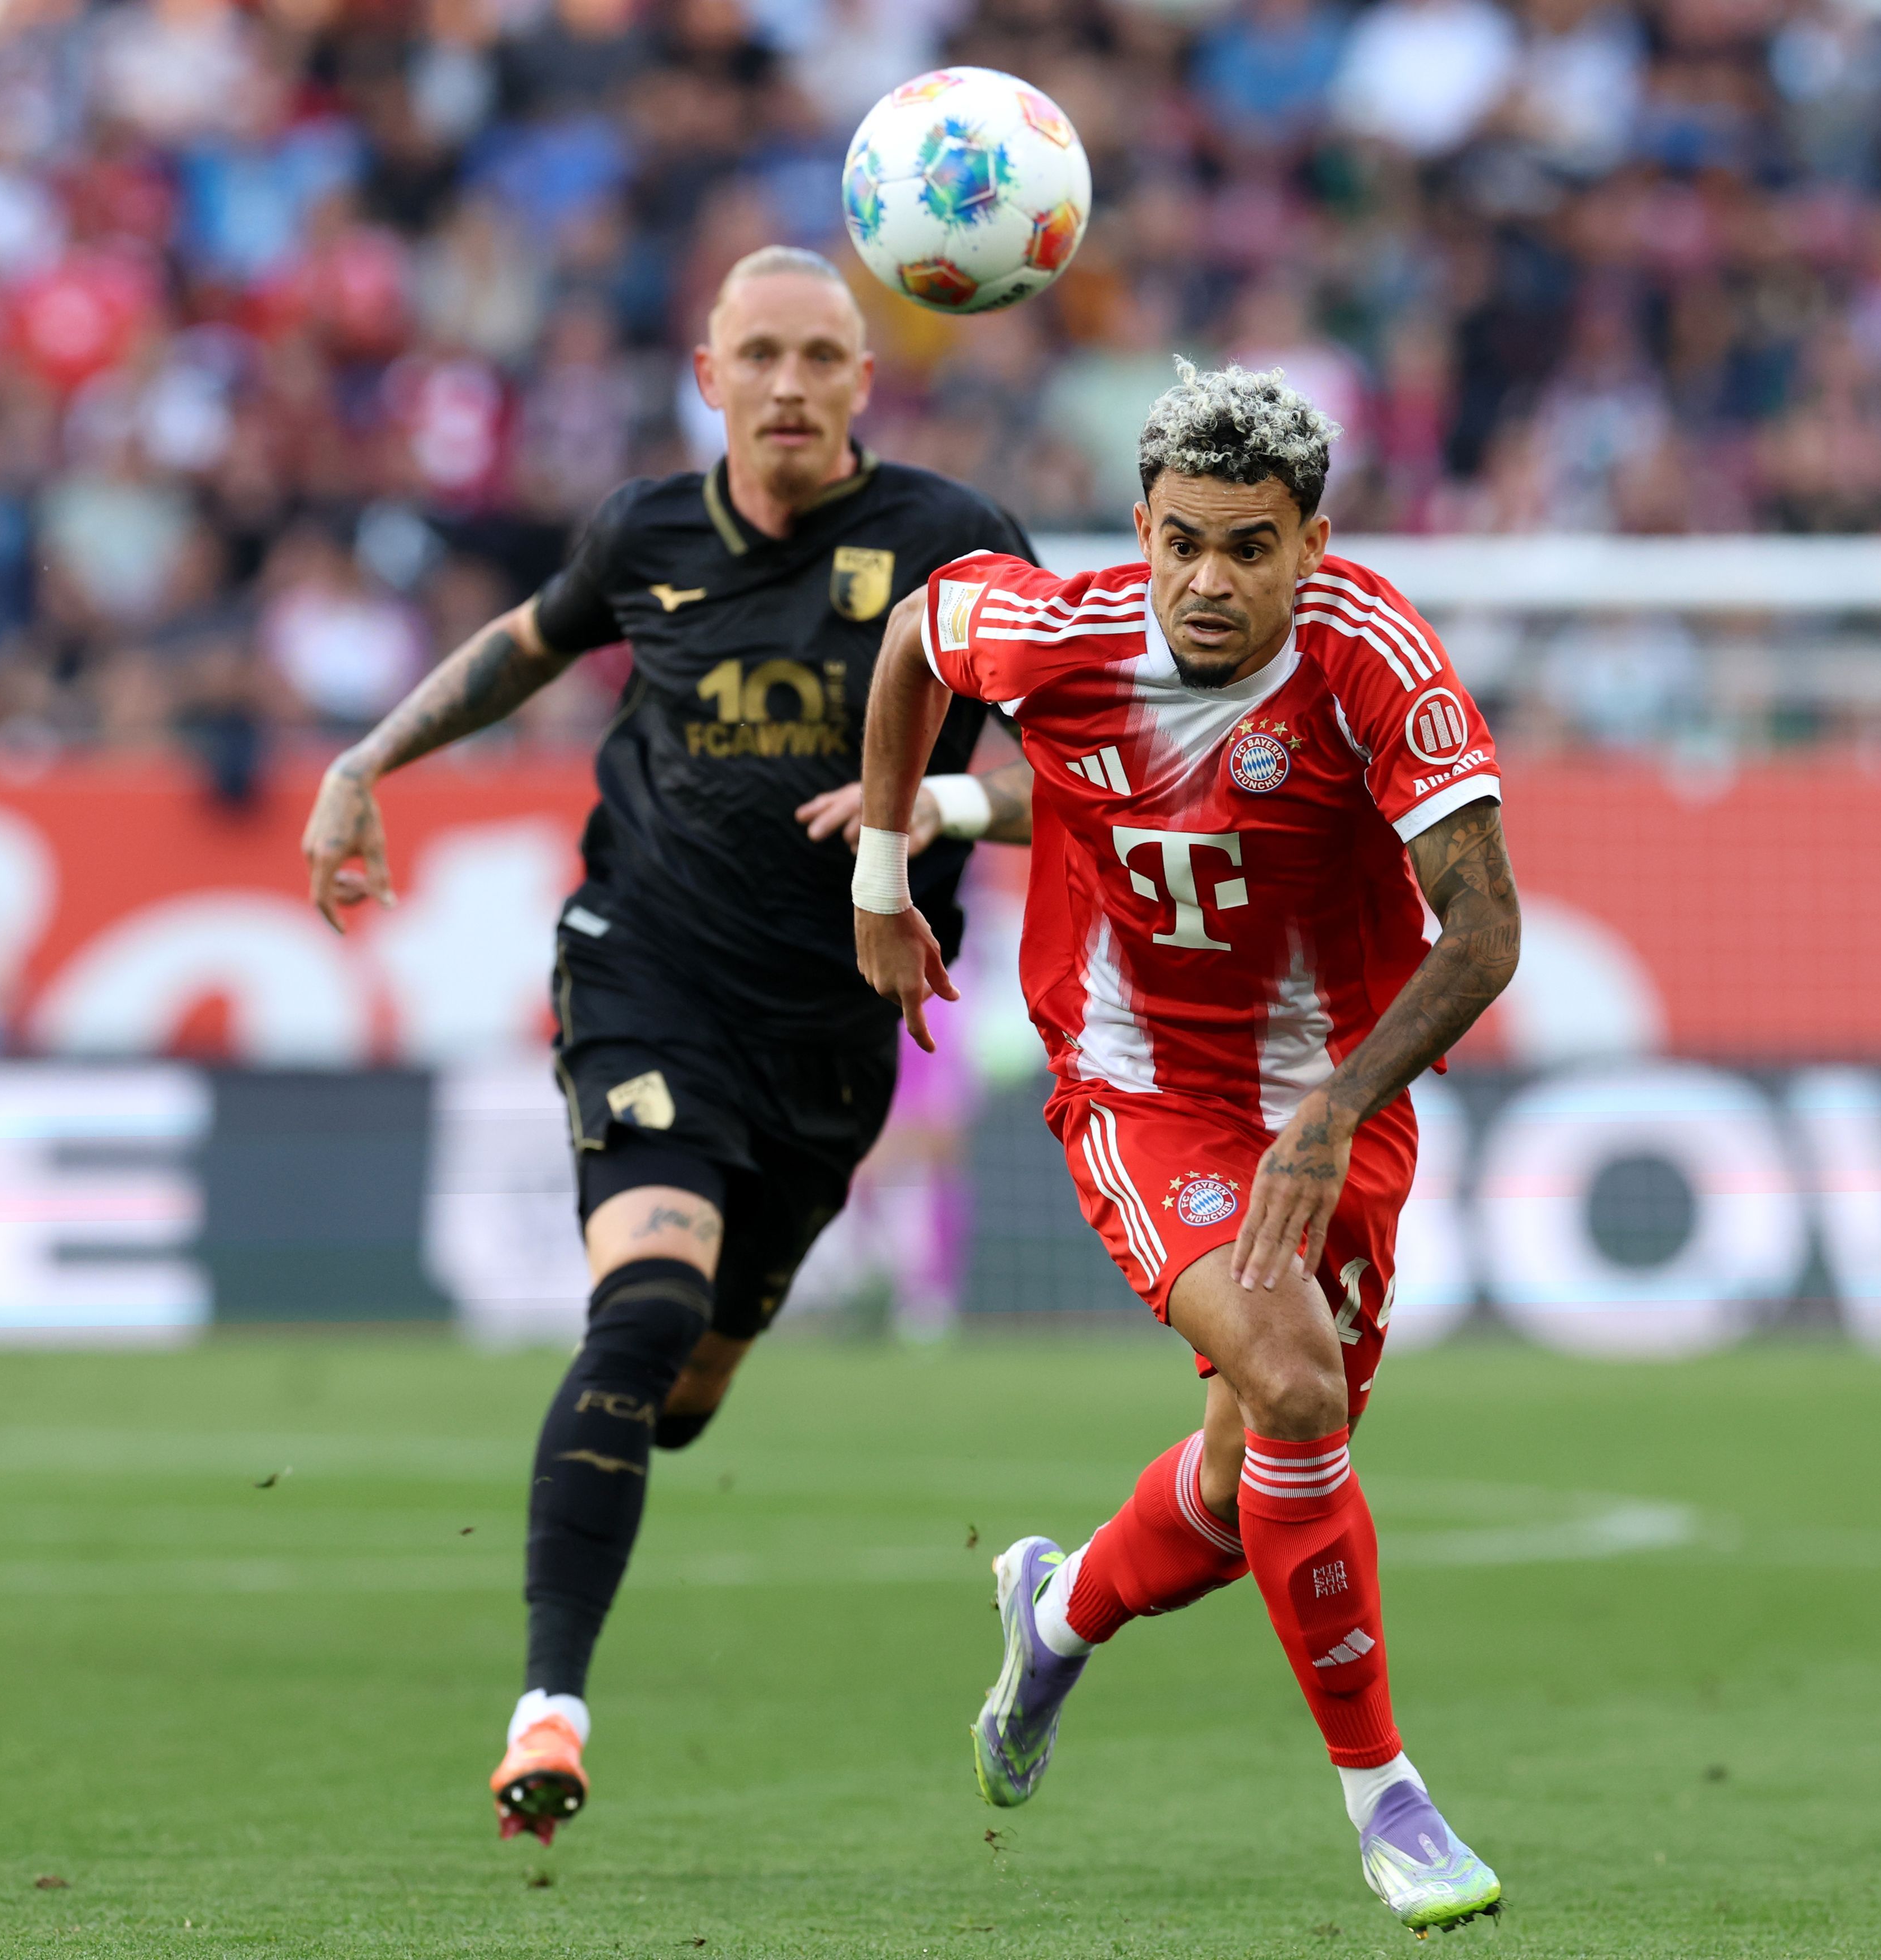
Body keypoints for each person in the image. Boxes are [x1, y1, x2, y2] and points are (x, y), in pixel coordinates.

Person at [298, 244, 1036, 1844]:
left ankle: (680, 1381)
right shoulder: (642, 532)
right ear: (707, 374)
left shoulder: (955, 547)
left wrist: (929, 804)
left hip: (834, 1035)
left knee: (690, 1383)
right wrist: (368, 754)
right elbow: (525, 642)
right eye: (756, 353)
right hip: (645, 972)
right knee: (641, 1311)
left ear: (864, 378)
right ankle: (548, 1703)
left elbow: (1096, 768)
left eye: (818, 357)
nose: (786, 384)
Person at [851, 361, 1523, 1934]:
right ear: (1139, 530)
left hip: (1330, 1100)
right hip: (1139, 1083)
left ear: (1313, 543)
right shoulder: (1054, 631)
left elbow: (1483, 933)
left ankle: (1057, 1607)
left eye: (1247, 545)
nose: (1206, 581)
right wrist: (888, 864)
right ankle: (1387, 1801)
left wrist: (1339, 1105)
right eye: (1178, 542)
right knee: (1292, 1386)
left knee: (1249, 1475)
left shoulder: (1375, 661)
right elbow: (907, 640)